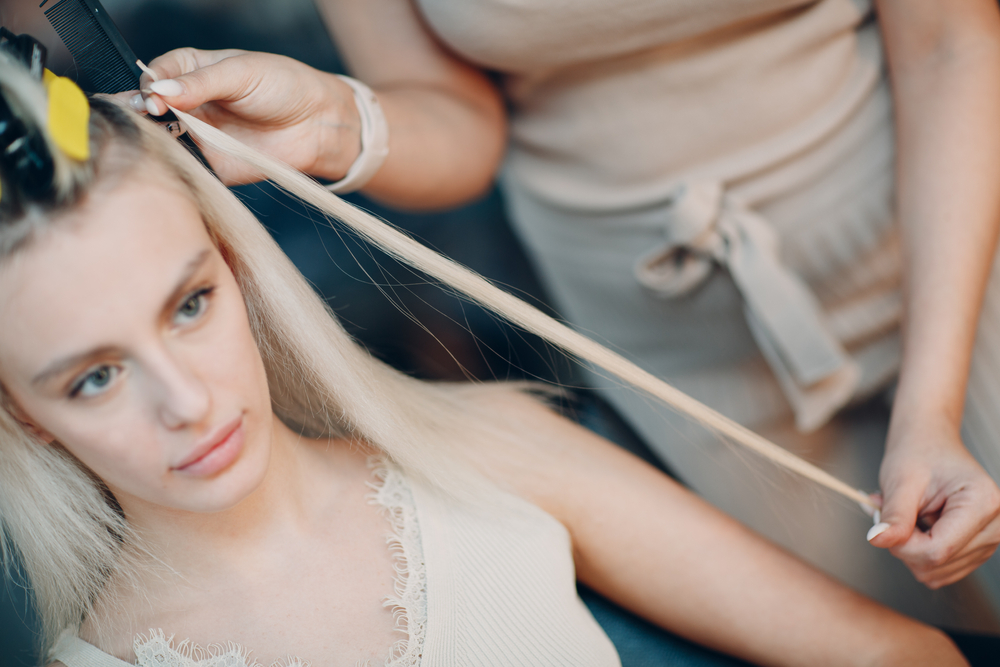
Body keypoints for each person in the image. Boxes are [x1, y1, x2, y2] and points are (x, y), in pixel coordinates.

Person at [0, 48, 975, 666]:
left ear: (237, 268)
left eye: (190, 305)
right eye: (94, 376)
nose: (187, 402)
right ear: (22, 414)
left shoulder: (493, 452)